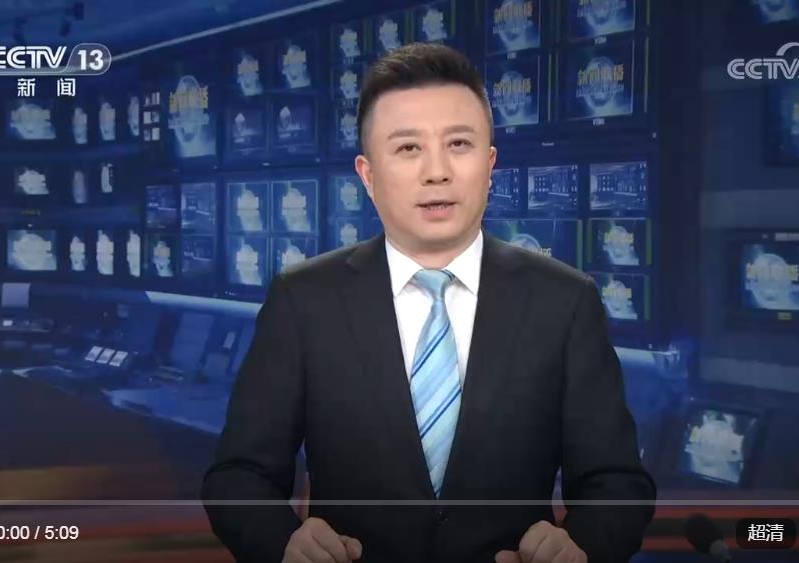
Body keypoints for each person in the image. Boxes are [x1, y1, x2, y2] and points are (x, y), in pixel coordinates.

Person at [202, 42, 655, 563]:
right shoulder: (303, 300)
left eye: (458, 144)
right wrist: (284, 542)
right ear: (368, 176)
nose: (436, 171)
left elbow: (617, 482)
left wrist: (580, 547)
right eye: (408, 148)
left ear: (490, 164)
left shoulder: (565, 301)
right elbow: (237, 475)